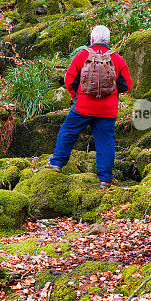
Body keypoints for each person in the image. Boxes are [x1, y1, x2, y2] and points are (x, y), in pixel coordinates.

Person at [45, 25, 133, 189]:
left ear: (92, 39)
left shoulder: (82, 55)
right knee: (105, 142)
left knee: (67, 132)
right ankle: (105, 180)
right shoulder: (117, 59)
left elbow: (69, 80)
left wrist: (75, 97)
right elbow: (126, 84)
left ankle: (56, 164)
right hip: (107, 110)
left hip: (83, 107)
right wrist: (112, 92)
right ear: (108, 40)